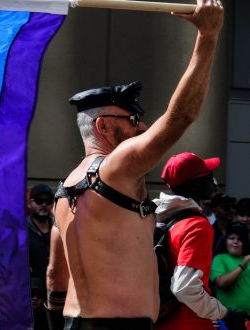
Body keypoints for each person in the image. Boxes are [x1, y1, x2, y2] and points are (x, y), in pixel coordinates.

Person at [50, 0, 224, 328]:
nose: (141, 127)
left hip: (75, 320)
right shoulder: (115, 169)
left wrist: (50, 317)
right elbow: (181, 117)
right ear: (103, 126)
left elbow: (54, 275)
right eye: (132, 119)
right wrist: (209, 36)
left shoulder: (65, 190)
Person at [154, 152, 228, 329]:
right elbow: (185, 288)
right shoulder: (197, 225)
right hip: (189, 323)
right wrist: (224, 313)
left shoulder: (160, 220)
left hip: (160, 321)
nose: (214, 181)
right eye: (209, 177)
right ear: (195, 185)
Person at [210, 222, 250, 330]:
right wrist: (242, 266)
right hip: (228, 318)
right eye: (232, 238)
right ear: (226, 241)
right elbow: (221, 283)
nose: (235, 242)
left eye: (240, 239)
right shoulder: (219, 259)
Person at [27, 184, 55, 330]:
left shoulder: (59, 229)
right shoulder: (22, 232)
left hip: (57, 296)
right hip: (33, 299)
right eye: (39, 200)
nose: (44, 204)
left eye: (48, 200)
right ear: (30, 203)